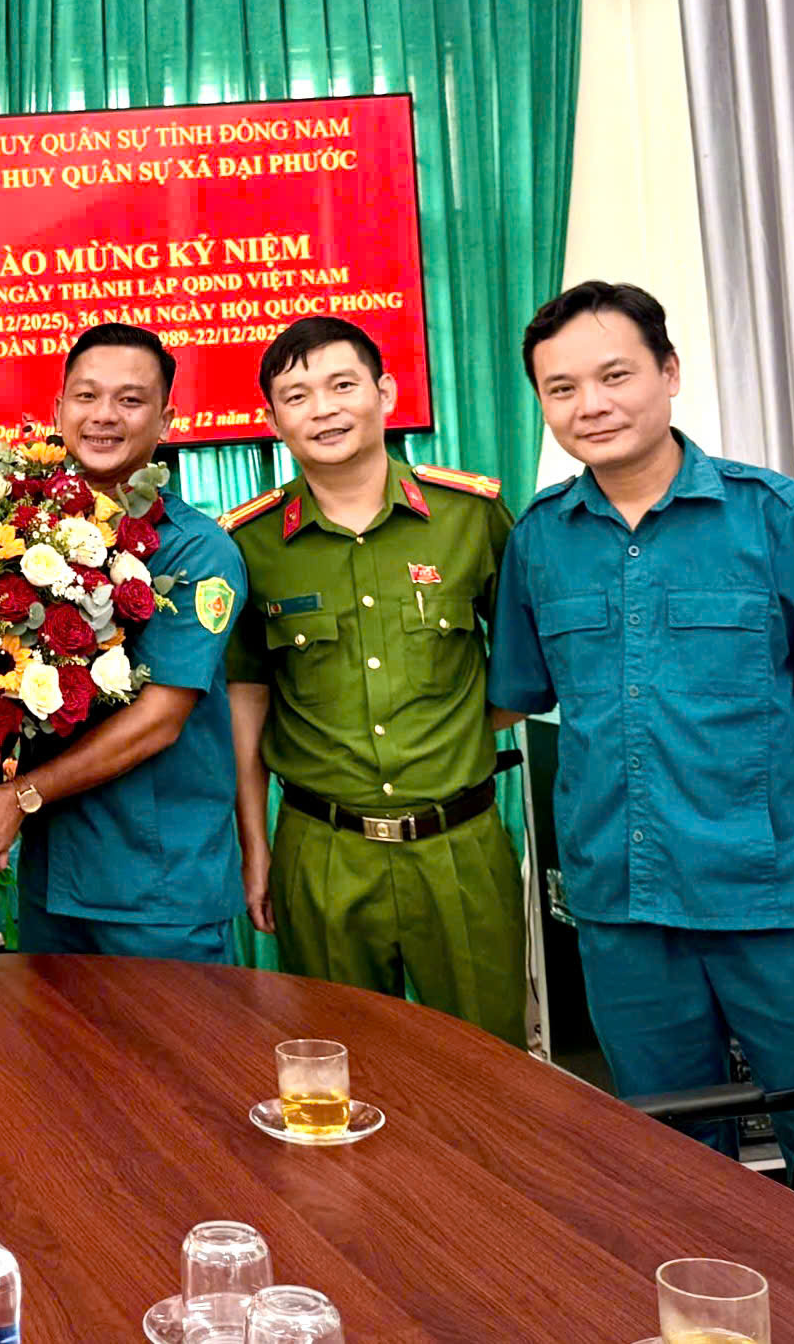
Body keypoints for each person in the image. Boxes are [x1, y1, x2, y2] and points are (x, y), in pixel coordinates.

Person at [487, 281, 794, 1155]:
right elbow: (508, 698)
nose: (590, 405)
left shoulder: (776, 515)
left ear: (669, 372)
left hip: (782, 900)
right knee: (671, 1156)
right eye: (561, 388)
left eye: (614, 375)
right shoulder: (539, 539)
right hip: (624, 908)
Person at [222, 318, 528, 1046]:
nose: (323, 410)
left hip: (459, 844)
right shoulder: (249, 543)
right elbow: (246, 703)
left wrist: (452, 734)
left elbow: (525, 665)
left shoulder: (468, 516)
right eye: (297, 396)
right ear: (273, 420)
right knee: (340, 1064)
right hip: (322, 850)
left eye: (342, 385)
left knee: (489, 1067)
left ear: (384, 393)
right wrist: (255, 847)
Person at [0, 323, 250, 961]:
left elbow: (159, 719)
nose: (104, 415)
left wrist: (19, 796)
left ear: (166, 421)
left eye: (130, 400)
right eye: (87, 396)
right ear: (58, 411)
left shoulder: (197, 551)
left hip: (157, 891)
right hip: (53, 880)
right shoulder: (13, 539)